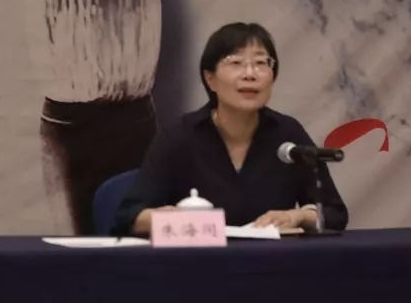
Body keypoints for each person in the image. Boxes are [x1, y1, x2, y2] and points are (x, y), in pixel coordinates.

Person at [112, 22, 348, 236]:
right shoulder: (179, 136)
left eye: (261, 63)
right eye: (236, 63)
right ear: (210, 79)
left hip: (271, 262)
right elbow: (129, 216)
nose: (250, 74)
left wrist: (297, 216)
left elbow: (334, 213)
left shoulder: (287, 134)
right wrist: (169, 218)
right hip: (198, 262)